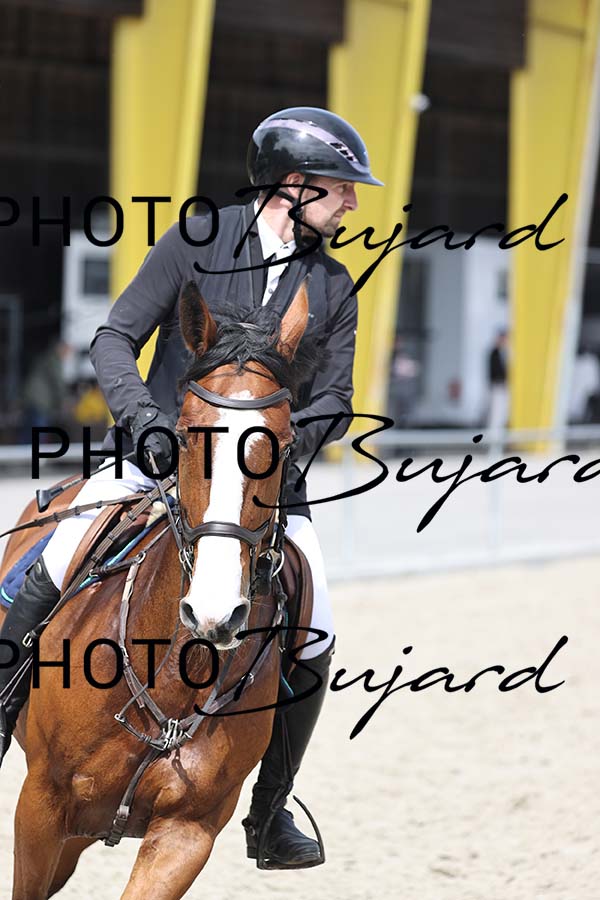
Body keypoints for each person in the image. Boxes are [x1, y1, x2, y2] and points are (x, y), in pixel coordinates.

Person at [0, 107, 382, 867]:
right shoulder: (195, 240)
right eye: (341, 188)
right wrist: (144, 420)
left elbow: (335, 399)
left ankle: (269, 811)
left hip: (264, 484)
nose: (351, 203)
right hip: (159, 455)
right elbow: (115, 336)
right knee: (52, 555)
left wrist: (271, 460)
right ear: (296, 186)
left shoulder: (335, 283)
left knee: (318, 628)